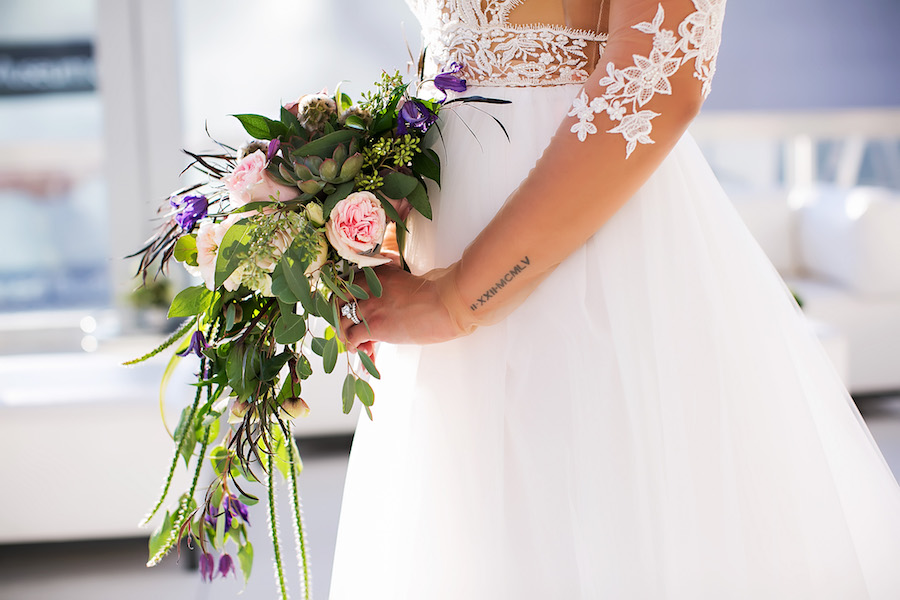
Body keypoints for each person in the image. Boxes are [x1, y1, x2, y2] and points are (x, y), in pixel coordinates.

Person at [329, 0, 900, 597]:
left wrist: (457, 298)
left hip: (586, 261)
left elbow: (662, 71)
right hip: (441, 257)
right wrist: (384, 176)